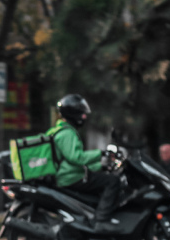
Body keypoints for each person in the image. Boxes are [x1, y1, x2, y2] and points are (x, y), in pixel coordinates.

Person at [51, 94, 122, 229]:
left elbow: (75, 162)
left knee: (103, 178)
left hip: (71, 174)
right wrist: (102, 153)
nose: (84, 117)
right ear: (73, 114)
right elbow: (77, 158)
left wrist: (101, 166)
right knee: (113, 181)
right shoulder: (67, 134)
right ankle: (101, 220)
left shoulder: (62, 131)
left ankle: (93, 216)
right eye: (82, 114)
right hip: (70, 177)